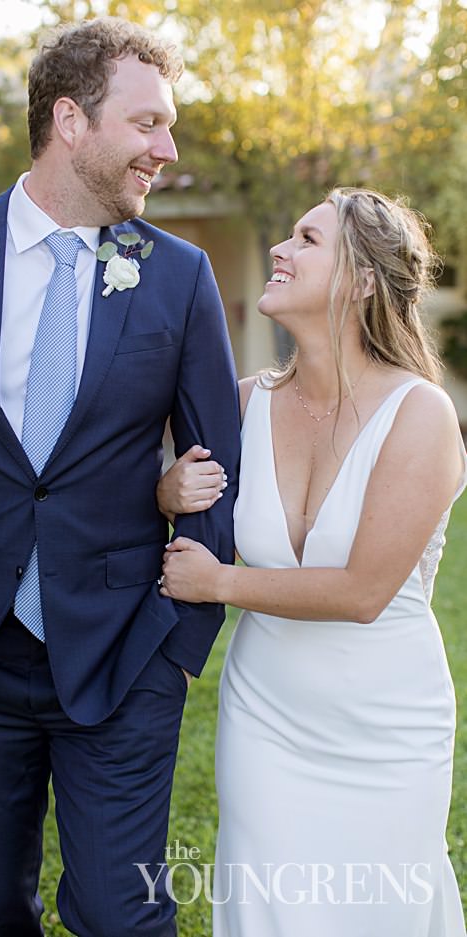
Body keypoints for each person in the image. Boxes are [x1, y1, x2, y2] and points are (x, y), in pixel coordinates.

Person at [0, 17, 241, 937]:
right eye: (147, 124)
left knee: (122, 911)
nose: (166, 149)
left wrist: (179, 646)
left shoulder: (178, 276)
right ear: (71, 119)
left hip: (124, 649)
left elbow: (219, 462)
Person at [157, 187, 467, 935]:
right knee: (269, 910)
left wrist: (219, 582)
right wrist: (164, 490)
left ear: (363, 279)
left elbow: (363, 591)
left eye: (306, 238)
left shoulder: (419, 413)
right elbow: (153, 496)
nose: (279, 250)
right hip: (267, 717)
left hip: (386, 727)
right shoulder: (239, 404)